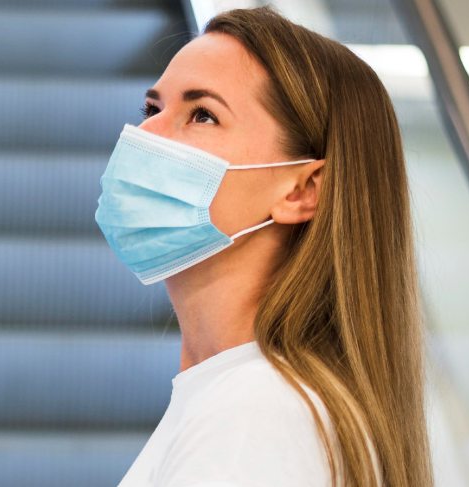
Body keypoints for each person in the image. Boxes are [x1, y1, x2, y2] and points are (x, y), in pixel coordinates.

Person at [96, 7, 432, 487]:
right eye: (152, 109)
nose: (143, 137)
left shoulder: (255, 417)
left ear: (302, 190)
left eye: (203, 115)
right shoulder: (244, 398)